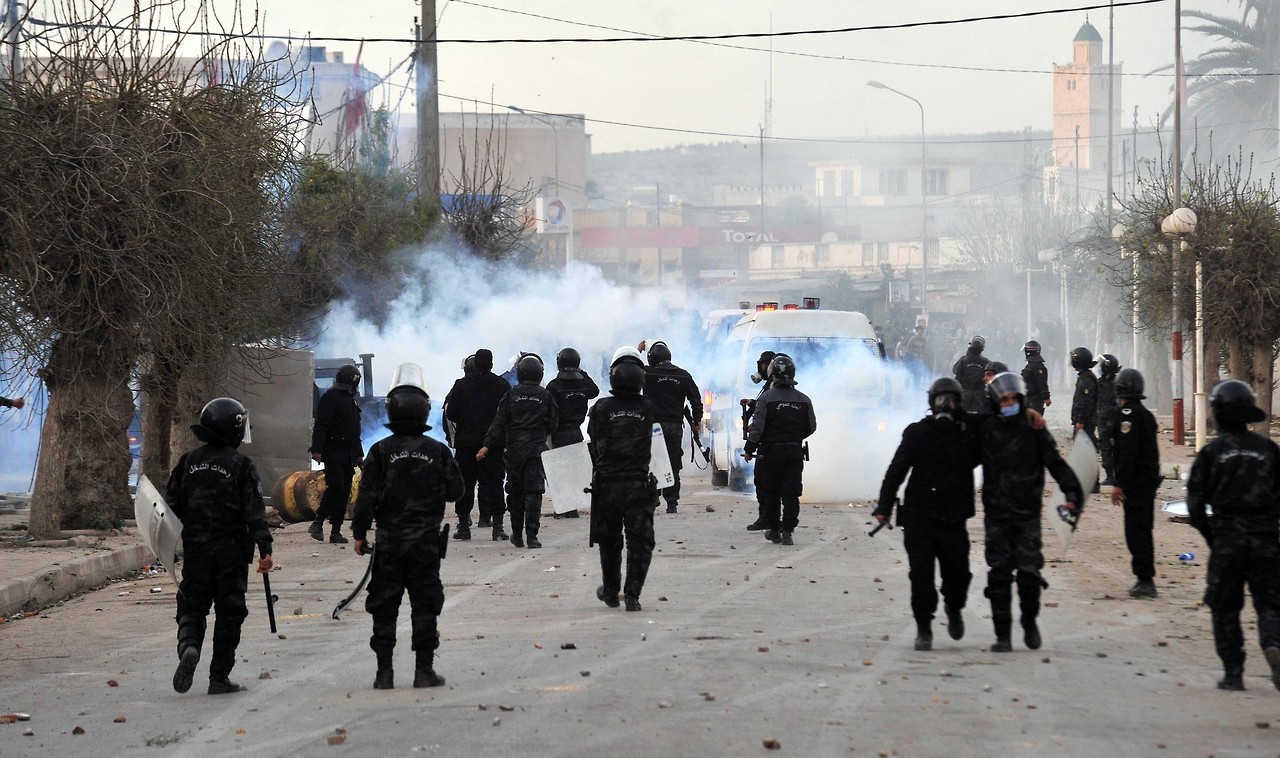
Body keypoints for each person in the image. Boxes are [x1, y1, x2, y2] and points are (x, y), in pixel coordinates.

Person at [352, 364, 464, 690]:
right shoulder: (438, 451)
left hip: (388, 543)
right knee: (425, 605)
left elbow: (365, 498)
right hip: (425, 544)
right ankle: (423, 671)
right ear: (425, 411)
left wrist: (359, 535)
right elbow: (456, 492)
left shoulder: (380, 451)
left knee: (385, 607)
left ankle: (384, 673)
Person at [167, 397, 272, 695]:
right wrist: (265, 549)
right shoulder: (242, 466)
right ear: (236, 430)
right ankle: (219, 677)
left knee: (192, 605)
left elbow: (169, 507)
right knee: (230, 613)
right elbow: (255, 512)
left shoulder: (187, 461)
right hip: (232, 556)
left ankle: (189, 645)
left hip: (196, 553)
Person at [1187, 379, 1280, 692]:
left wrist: (1212, 537)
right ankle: (1273, 643)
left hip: (1226, 538)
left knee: (1224, 606)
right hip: (1266, 539)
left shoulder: (1212, 453)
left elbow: (1195, 504)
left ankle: (1233, 672)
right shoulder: (1269, 450)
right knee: (1270, 603)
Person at [979, 372, 1081, 652]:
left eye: (1014, 399)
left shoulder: (1034, 429)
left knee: (1029, 573)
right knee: (998, 574)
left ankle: (1029, 621)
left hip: (1026, 515)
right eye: (1004, 399)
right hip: (997, 515)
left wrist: (1072, 494)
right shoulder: (986, 428)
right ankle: (1002, 635)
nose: (1009, 403)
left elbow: (1056, 464)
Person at [874, 377, 977, 651]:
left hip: (954, 518)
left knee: (959, 576)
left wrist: (1029, 412)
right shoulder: (917, 433)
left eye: (952, 400)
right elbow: (896, 470)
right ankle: (924, 627)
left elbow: (1000, 424)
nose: (947, 405)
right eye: (942, 399)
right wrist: (884, 507)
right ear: (932, 403)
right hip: (919, 515)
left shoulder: (969, 432)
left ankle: (954, 609)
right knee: (921, 576)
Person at [588, 347, 659, 612]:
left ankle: (610, 591)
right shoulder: (648, 408)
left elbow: (593, 440)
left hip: (607, 484)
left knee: (610, 542)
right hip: (638, 484)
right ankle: (632, 595)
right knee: (640, 542)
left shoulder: (601, 408)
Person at [479, 355, 558, 548]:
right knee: (534, 492)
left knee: (515, 492)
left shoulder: (512, 395)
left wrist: (487, 444)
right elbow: (554, 422)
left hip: (514, 449)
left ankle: (517, 534)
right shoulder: (545, 396)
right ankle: (532, 536)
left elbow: (499, 421)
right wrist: (540, 433)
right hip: (536, 449)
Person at [743, 354, 816, 546]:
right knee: (791, 493)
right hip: (794, 453)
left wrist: (749, 448)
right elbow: (811, 427)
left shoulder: (766, 399)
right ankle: (788, 530)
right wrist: (793, 437)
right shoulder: (804, 400)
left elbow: (757, 428)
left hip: (771, 454)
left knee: (772, 493)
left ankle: (775, 530)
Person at [444, 349, 511, 541]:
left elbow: (451, 414)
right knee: (495, 483)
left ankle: (464, 526)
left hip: (466, 443)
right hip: (494, 444)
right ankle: (497, 528)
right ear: (491, 363)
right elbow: (508, 414)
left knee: (465, 483)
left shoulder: (461, 385)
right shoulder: (501, 385)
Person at [1108, 368, 1161, 599]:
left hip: (1136, 483)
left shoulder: (1127, 415)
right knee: (1143, 528)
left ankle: (1145, 580)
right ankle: (1145, 576)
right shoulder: (1146, 414)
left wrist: (1119, 483)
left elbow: (1127, 453)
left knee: (1136, 530)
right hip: (1147, 481)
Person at [640, 340, 703, 514]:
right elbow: (696, 400)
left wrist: (638, 352)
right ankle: (672, 501)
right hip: (675, 425)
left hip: (653, 426)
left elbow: (628, 371)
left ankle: (653, 498)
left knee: (653, 461)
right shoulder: (683, 375)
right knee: (673, 461)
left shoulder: (647, 373)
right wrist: (697, 420)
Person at [310, 364, 363, 544]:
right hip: (332, 451)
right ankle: (317, 522)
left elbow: (355, 431)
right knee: (336, 486)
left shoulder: (351, 401)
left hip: (348, 454)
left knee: (345, 491)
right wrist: (317, 449)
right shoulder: (330, 398)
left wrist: (359, 454)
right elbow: (321, 425)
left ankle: (336, 530)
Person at [547, 347, 600, 519]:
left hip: (559, 432)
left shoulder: (554, 385)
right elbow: (595, 391)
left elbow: (549, 409)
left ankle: (563, 507)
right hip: (576, 431)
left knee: (560, 470)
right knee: (574, 470)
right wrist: (581, 372)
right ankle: (572, 508)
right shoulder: (583, 383)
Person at [741, 350, 776, 532]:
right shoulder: (775, 386)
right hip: (785, 445)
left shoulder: (771, 388)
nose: (761, 368)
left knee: (763, 483)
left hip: (767, 445)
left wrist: (750, 446)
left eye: (763, 364)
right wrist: (753, 404)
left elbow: (764, 417)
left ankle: (767, 519)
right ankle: (779, 523)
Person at [1096, 354, 1121, 486]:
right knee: (1104, 447)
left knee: (1117, 446)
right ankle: (1110, 475)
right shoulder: (1099, 383)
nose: (1099, 367)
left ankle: (1119, 474)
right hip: (1103, 420)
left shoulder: (1117, 383)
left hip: (1114, 419)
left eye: (1101, 365)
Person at [952, 336, 990, 412]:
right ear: (982, 348)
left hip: (964, 394)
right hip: (979, 396)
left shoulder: (963, 360)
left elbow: (954, 370)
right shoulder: (985, 362)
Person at [1020, 340, 1051, 414]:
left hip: (1035, 399)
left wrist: (1046, 397)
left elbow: (1042, 382)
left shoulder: (1037, 366)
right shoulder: (1031, 365)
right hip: (1029, 397)